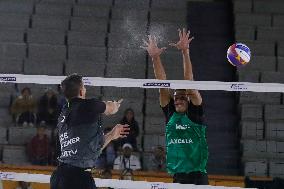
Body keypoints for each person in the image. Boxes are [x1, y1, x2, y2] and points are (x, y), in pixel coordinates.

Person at [143, 29, 209, 185]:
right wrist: (155, 57)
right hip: (177, 176)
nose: (178, 99)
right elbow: (162, 85)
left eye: (182, 97)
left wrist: (185, 52)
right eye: (176, 97)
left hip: (197, 176)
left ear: (188, 99)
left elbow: (189, 84)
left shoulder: (195, 113)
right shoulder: (170, 113)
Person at [50, 74, 130, 189]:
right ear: (82, 91)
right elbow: (110, 109)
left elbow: (88, 151)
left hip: (59, 177)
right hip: (77, 178)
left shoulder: (63, 114)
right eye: (85, 87)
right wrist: (115, 105)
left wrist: (112, 135)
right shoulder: (87, 106)